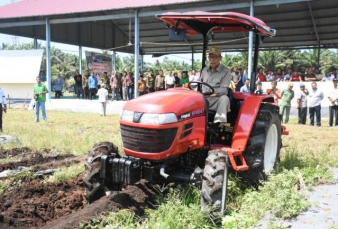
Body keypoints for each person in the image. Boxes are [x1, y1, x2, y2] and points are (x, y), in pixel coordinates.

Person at [201, 46, 231, 126]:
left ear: (220, 58)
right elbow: (200, 85)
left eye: (215, 57)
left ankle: (219, 124)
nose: (212, 60)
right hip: (203, 99)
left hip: (216, 99)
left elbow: (223, 91)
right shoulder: (204, 71)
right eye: (210, 57)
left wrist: (210, 93)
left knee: (224, 98)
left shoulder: (225, 72)